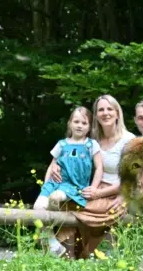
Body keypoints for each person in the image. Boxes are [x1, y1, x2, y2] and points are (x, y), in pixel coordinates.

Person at [53, 95, 136, 259]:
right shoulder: (93, 139)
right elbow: (69, 154)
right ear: (96, 116)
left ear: (117, 113)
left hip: (117, 193)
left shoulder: (129, 140)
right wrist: (56, 164)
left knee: (78, 208)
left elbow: (133, 177)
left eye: (109, 109)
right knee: (68, 202)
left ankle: (85, 254)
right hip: (92, 189)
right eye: (101, 110)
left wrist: (106, 193)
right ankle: (65, 257)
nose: (105, 113)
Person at [34, 106, 103, 257]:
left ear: (89, 127)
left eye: (84, 123)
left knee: (56, 198)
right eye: (76, 121)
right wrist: (45, 186)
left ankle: (52, 226)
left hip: (74, 186)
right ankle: (51, 241)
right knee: (38, 206)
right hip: (54, 183)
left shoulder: (91, 145)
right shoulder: (61, 144)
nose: (79, 125)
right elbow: (52, 166)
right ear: (70, 123)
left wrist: (94, 187)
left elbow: (99, 168)